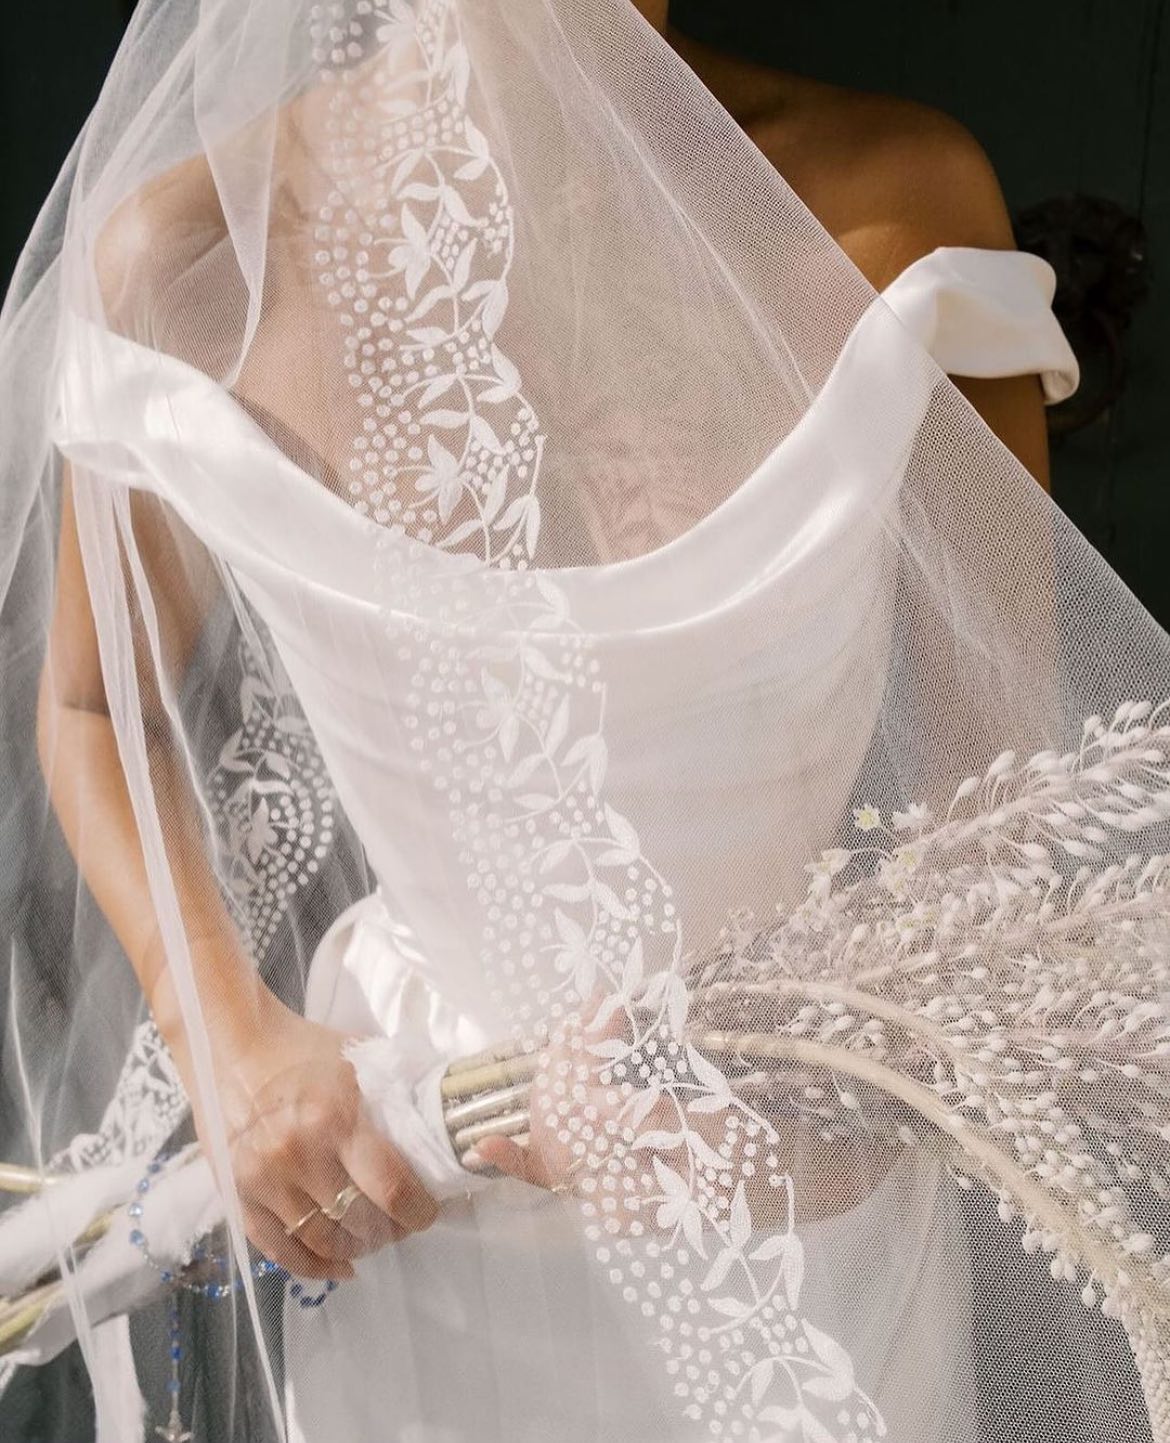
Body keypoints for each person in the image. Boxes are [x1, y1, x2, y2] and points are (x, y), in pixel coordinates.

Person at [2, 2, 1165, 1442]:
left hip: (800, 1179)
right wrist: (233, 1048)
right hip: (413, 1216)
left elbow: (1009, 784)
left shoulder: (889, 211)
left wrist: (842, 1096)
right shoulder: (188, 263)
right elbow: (92, 706)